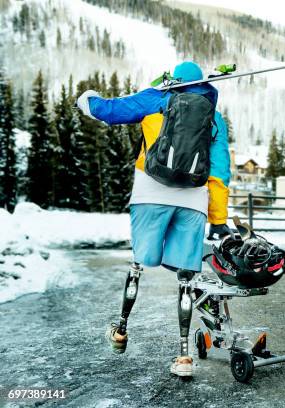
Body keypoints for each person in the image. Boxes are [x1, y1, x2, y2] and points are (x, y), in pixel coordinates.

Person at [76, 61, 231, 377]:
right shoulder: (214, 117)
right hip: (193, 200)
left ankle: (120, 329)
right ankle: (184, 358)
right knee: (185, 275)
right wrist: (218, 219)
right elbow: (219, 172)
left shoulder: (154, 99)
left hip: (150, 194)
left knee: (139, 263)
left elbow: (110, 110)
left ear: (173, 82)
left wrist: (86, 99)